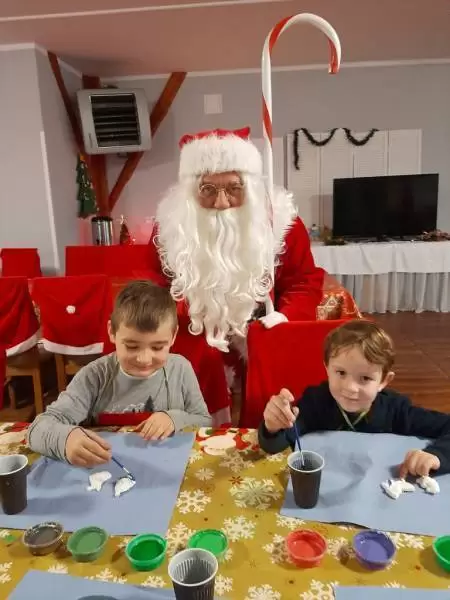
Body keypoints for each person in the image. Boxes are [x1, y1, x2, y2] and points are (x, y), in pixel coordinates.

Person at [146, 127, 324, 422]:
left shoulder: (283, 224)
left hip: (261, 325)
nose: (221, 203)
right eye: (208, 190)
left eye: (233, 188)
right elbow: (154, 286)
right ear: (191, 190)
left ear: (250, 187)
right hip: (194, 328)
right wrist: (184, 313)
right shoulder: (169, 227)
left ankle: (264, 434)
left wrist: (285, 317)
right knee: (191, 397)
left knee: (272, 403)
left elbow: (303, 281)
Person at [27, 280, 212, 467]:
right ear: (112, 332)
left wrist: (174, 418)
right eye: (131, 346)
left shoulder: (180, 370)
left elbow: (204, 420)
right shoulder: (94, 377)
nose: (144, 359)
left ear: (173, 336)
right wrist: (66, 439)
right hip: (105, 469)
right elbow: (38, 429)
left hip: (167, 467)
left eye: (157, 347)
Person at [258, 319, 450, 477]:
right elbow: (276, 444)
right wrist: (272, 426)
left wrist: (436, 456)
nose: (350, 388)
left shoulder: (397, 410)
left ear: (384, 380)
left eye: (365, 378)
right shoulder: (315, 403)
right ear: (327, 368)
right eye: (341, 373)